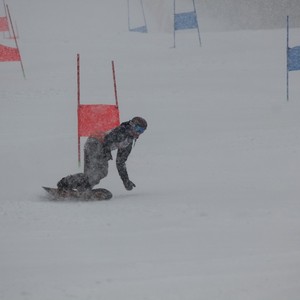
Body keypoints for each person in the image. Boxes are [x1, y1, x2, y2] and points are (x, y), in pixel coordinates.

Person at [57, 116, 147, 192]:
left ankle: (79, 187)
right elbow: (108, 139)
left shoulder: (128, 142)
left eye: (141, 131)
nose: (138, 133)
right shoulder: (122, 130)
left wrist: (126, 180)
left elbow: (120, 162)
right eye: (137, 129)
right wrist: (105, 153)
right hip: (95, 143)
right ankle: (66, 183)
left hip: (94, 144)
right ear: (131, 125)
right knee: (101, 172)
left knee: (93, 174)